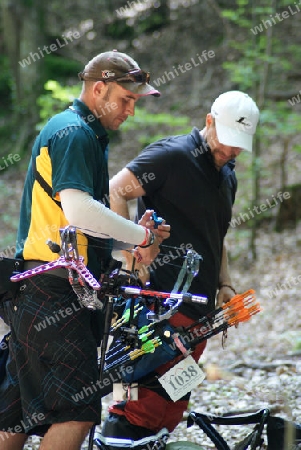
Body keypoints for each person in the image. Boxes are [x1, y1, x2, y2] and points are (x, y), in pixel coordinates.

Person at [0, 50, 170, 450]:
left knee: (17, 415)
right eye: (126, 99)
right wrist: (139, 237)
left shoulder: (83, 134)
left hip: (38, 293)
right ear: (99, 88)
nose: (131, 110)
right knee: (77, 412)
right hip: (53, 293)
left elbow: (75, 226)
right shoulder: (74, 132)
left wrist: (126, 246)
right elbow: (79, 209)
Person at [100, 91, 260, 449]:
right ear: (208, 121)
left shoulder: (226, 177)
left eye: (239, 146)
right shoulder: (171, 156)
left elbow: (216, 235)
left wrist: (226, 282)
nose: (231, 151)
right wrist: (131, 255)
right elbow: (115, 190)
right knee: (135, 404)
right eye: (227, 140)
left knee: (171, 405)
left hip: (200, 312)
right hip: (156, 307)